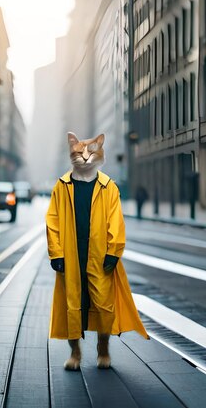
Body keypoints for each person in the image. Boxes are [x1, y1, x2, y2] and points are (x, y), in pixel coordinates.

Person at [46, 132, 148, 372]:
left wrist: (114, 251)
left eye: (90, 153)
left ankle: (103, 350)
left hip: (100, 255)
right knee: (72, 304)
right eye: (79, 153)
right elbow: (53, 221)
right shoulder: (62, 186)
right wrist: (56, 253)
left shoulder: (108, 186)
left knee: (104, 304)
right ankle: (75, 353)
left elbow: (116, 221)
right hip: (71, 255)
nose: (85, 158)